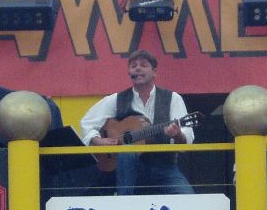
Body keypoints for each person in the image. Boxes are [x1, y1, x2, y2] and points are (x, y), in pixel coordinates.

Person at [80, 49, 195, 196]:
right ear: (129, 72)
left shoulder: (173, 98)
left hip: (164, 168)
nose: (138, 68)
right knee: (127, 151)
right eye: (133, 66)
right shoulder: (116, 99)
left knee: (187, 198)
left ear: (154, 72)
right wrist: (97, 140)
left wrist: (177, 135)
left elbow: (187, 137)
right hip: (128, 169)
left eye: (143, 65)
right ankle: (125, 201)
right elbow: (87, 122)